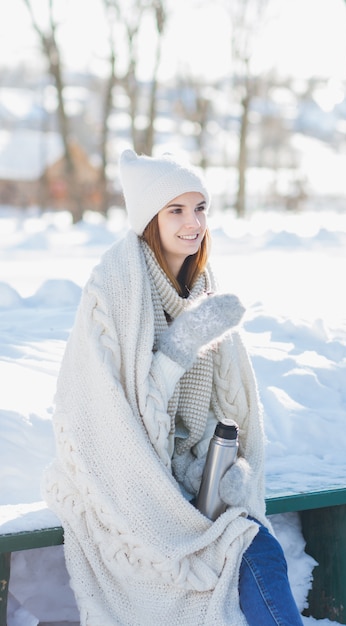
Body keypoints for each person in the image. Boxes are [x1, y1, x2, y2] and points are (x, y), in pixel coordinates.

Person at [43, 150, 303, 626]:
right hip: (122, 482)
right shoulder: (113, 286)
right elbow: (110, 418)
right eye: (176, 210)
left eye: (199, 207)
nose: (193, 223)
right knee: (242, 550)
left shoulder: (200, 286)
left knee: (254, 545)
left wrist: (217, 460)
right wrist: (180, 349)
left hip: (182, 475)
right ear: (150, 219)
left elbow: (211, 405)